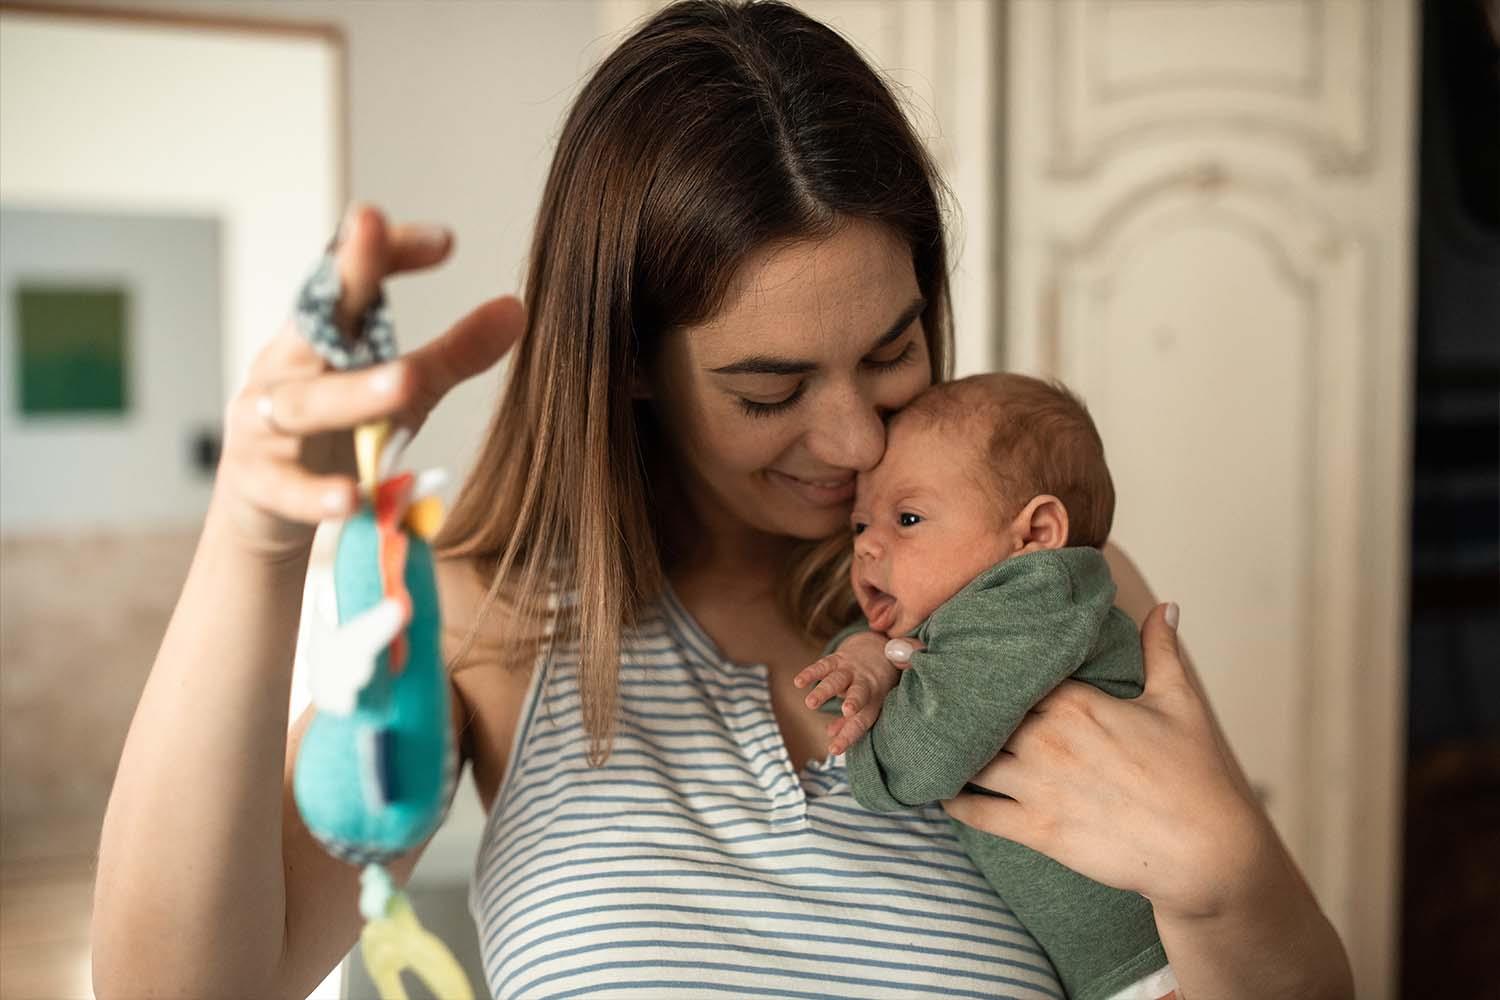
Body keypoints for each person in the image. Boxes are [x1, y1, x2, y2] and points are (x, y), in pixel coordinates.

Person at [90, 2, 1354, 998]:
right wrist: (255, 537)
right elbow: (174, 986)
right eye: (771, 387)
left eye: (895, 348)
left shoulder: (1040, 598)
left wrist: (1226, 872)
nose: (857, 438)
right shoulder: (494, 623)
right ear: (628, 365)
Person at [795, 372, 1170, 1000]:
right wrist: (869, 654)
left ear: (1036, 535)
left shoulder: (1035, 598)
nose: (866, 547)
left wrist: (873, 739)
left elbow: (918, 764)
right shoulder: (983, 625)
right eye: (860, 526)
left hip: (1156, 968)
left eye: (907, 518)